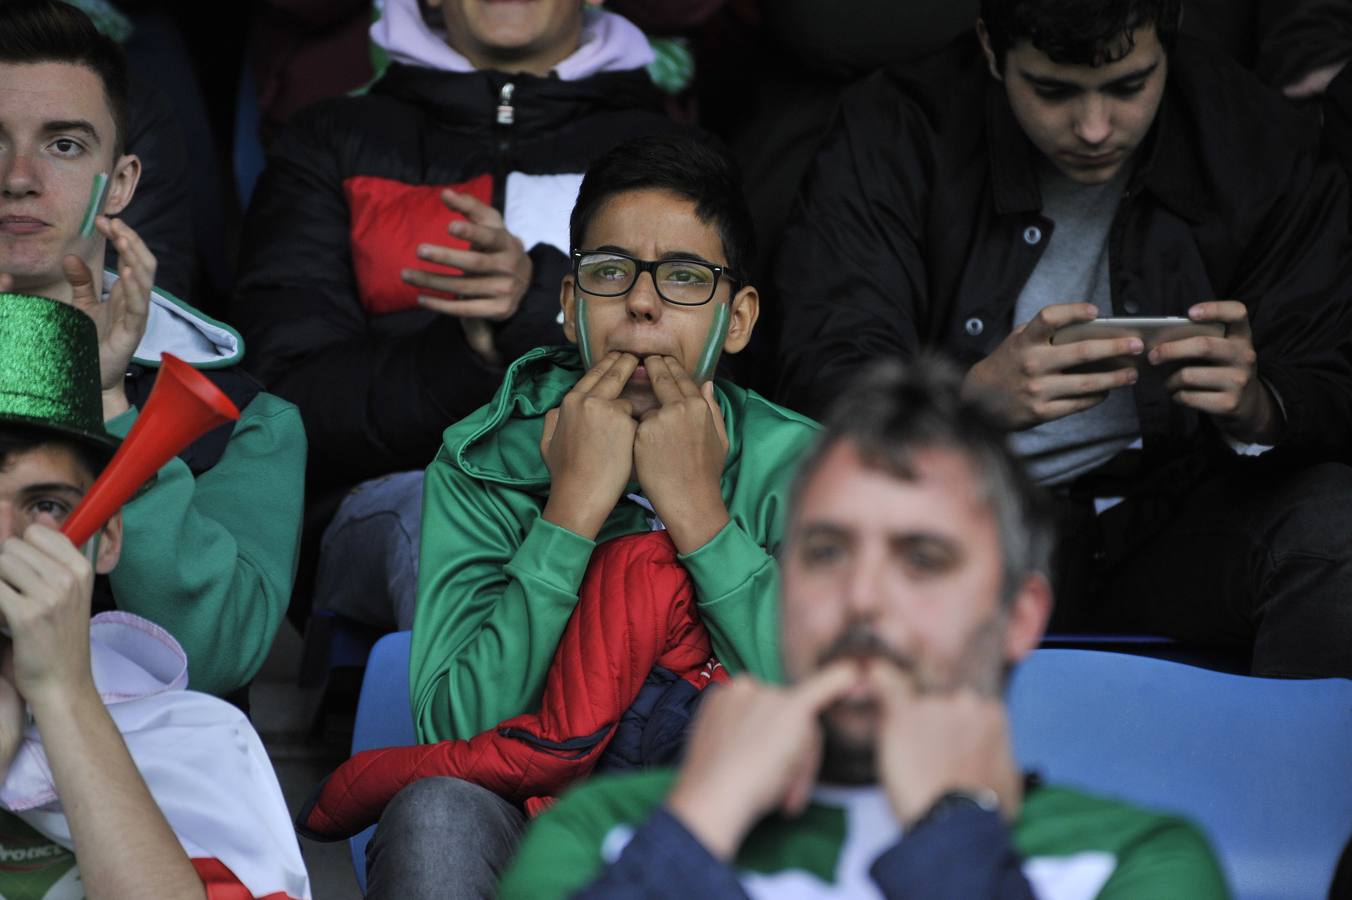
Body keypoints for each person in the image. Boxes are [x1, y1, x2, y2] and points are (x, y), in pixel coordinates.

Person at [499, 357, 1229, 899]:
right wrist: (697, 826)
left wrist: (955, 840)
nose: (863, 596)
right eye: (827, 551)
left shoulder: (1136, 861)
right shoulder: (603, 832)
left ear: (1018, 617)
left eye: (923, 559)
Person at [772, 0, 1352, 677]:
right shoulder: (896, 126)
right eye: (1053, 91)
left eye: (1130, 86)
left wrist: (1259, 404)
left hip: (1170, 521)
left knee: (1332, 532)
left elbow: (1331, 374)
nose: (1096, 128)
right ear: (991, 48)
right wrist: (964, 405)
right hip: (960, 524)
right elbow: (818, 368)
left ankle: (1299, 779)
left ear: (1171, 39)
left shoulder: (1252, 136)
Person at [355, 134, 817, 898]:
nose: (641, 303)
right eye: (609, 274)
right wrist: (569, 512)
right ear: (570, 308)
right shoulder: (485, 460)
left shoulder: (808, 471)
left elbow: (830, 729)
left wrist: (699, 516)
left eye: (683, 278)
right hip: (532, 828)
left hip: (733, 834)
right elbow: (456, 731)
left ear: (738, 321)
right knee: (434, 812)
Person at [231, 0, 681, 630]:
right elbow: (281, 406)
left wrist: (537, 302)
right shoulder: (330, 139)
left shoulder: (674, 157)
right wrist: (466, 354)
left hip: (628, 502)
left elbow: (712, 389)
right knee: (454, 531)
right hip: (388, 500)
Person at [0, 0, 306, 698]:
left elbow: (216, 657)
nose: (19, 176)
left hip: (139, 785)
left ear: (125, 184)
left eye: (64, 145)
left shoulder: (247, 419)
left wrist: (109, 406)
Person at [0, 292, 310, 899]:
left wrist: (63, 699)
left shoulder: (201, 740)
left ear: (107, 538)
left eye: (45, 506)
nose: (5, 540)